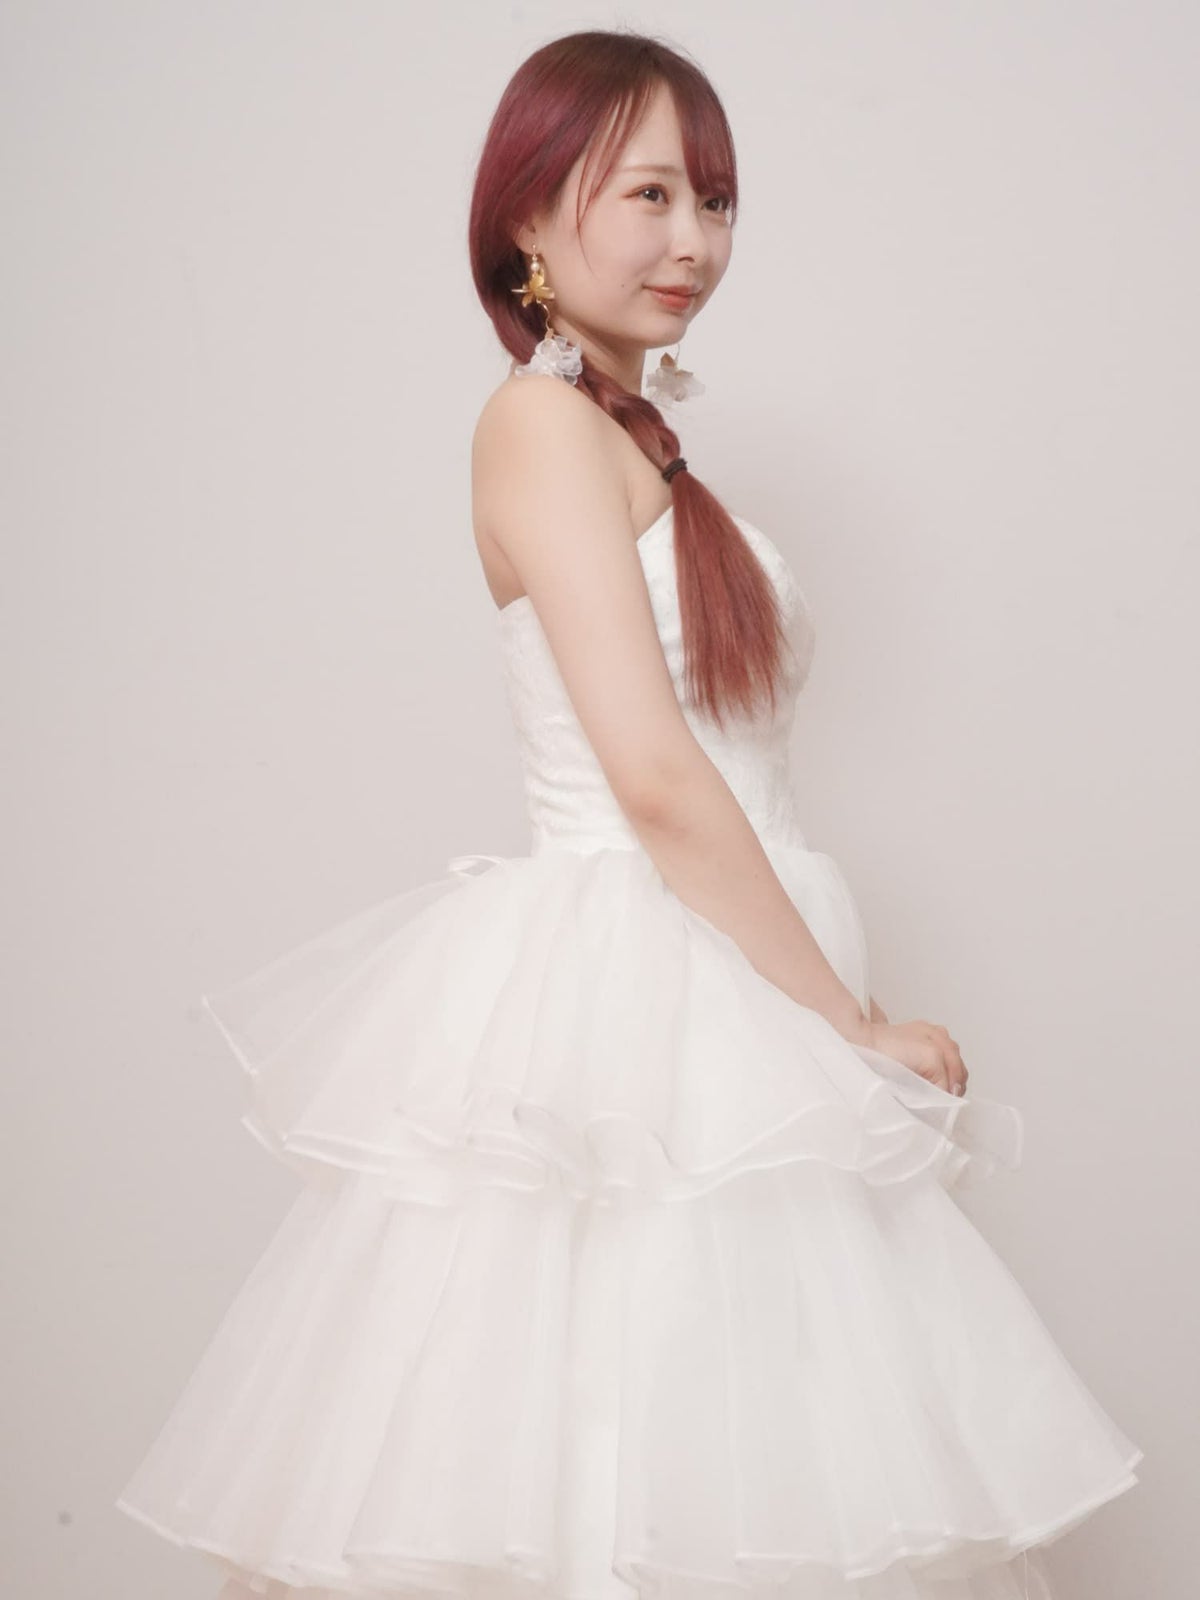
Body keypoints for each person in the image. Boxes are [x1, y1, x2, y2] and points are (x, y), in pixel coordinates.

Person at [116, 29, 1142, 1600]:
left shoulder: (630, 443)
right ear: (530, 217)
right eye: (650, 193)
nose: (695, 241)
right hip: (644, 994)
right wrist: (852, 1027)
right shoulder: (535, 427)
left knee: (735, 1458)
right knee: (618, 1451)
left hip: (724, 979)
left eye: (715, 201)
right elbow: (654, 776)